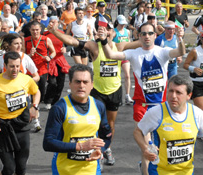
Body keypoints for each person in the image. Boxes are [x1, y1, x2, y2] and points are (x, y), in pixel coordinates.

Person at [102, 22, 186, 175]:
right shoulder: (134, 53)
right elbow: (111, 55)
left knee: (163, 147)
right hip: (143, 107)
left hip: (162, 107)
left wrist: (181, 37)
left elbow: (179, 52)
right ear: (138, 36)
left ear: (155, 35)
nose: (147, 36)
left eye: (150, 33)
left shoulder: (162, 51)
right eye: (143, 34)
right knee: (149, 149)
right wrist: (103, 40)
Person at [51, 21, 138, 166]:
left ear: (114, 32)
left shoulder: (119, 46)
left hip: (114, 91)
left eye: (108, 30)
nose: (105, 32)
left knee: (110, 124)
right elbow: (72, 41)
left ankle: (107, 148)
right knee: (95, 123)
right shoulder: (93, 46)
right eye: (101, 30)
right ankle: (97, 150)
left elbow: (141, 43)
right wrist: (55, 31)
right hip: (97, 91)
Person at [24, 20, 56, 132]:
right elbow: (22, 56)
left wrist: (50, 57)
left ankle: (34, 114)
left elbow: (53, 52)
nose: (35, 32)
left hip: (42, 70)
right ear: (30, 30)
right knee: (32, 94)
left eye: (37, 30)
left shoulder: (46, 39)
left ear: (40, 30)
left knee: (40, 94)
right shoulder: (26, 41)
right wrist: (29, 54)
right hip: (30, 72)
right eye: (33, 30)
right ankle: (35, 121)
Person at [113, 15, 134, 105]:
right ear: (117, 22)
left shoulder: (127, 32)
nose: (122, 26)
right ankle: (115, 95)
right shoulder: (114, 32)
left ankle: (127, 95)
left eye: (124, 24)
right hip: (116, 56)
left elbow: (129, 42)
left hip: (125, 56)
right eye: (121, 24)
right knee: (115, 76)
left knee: (127, 75)